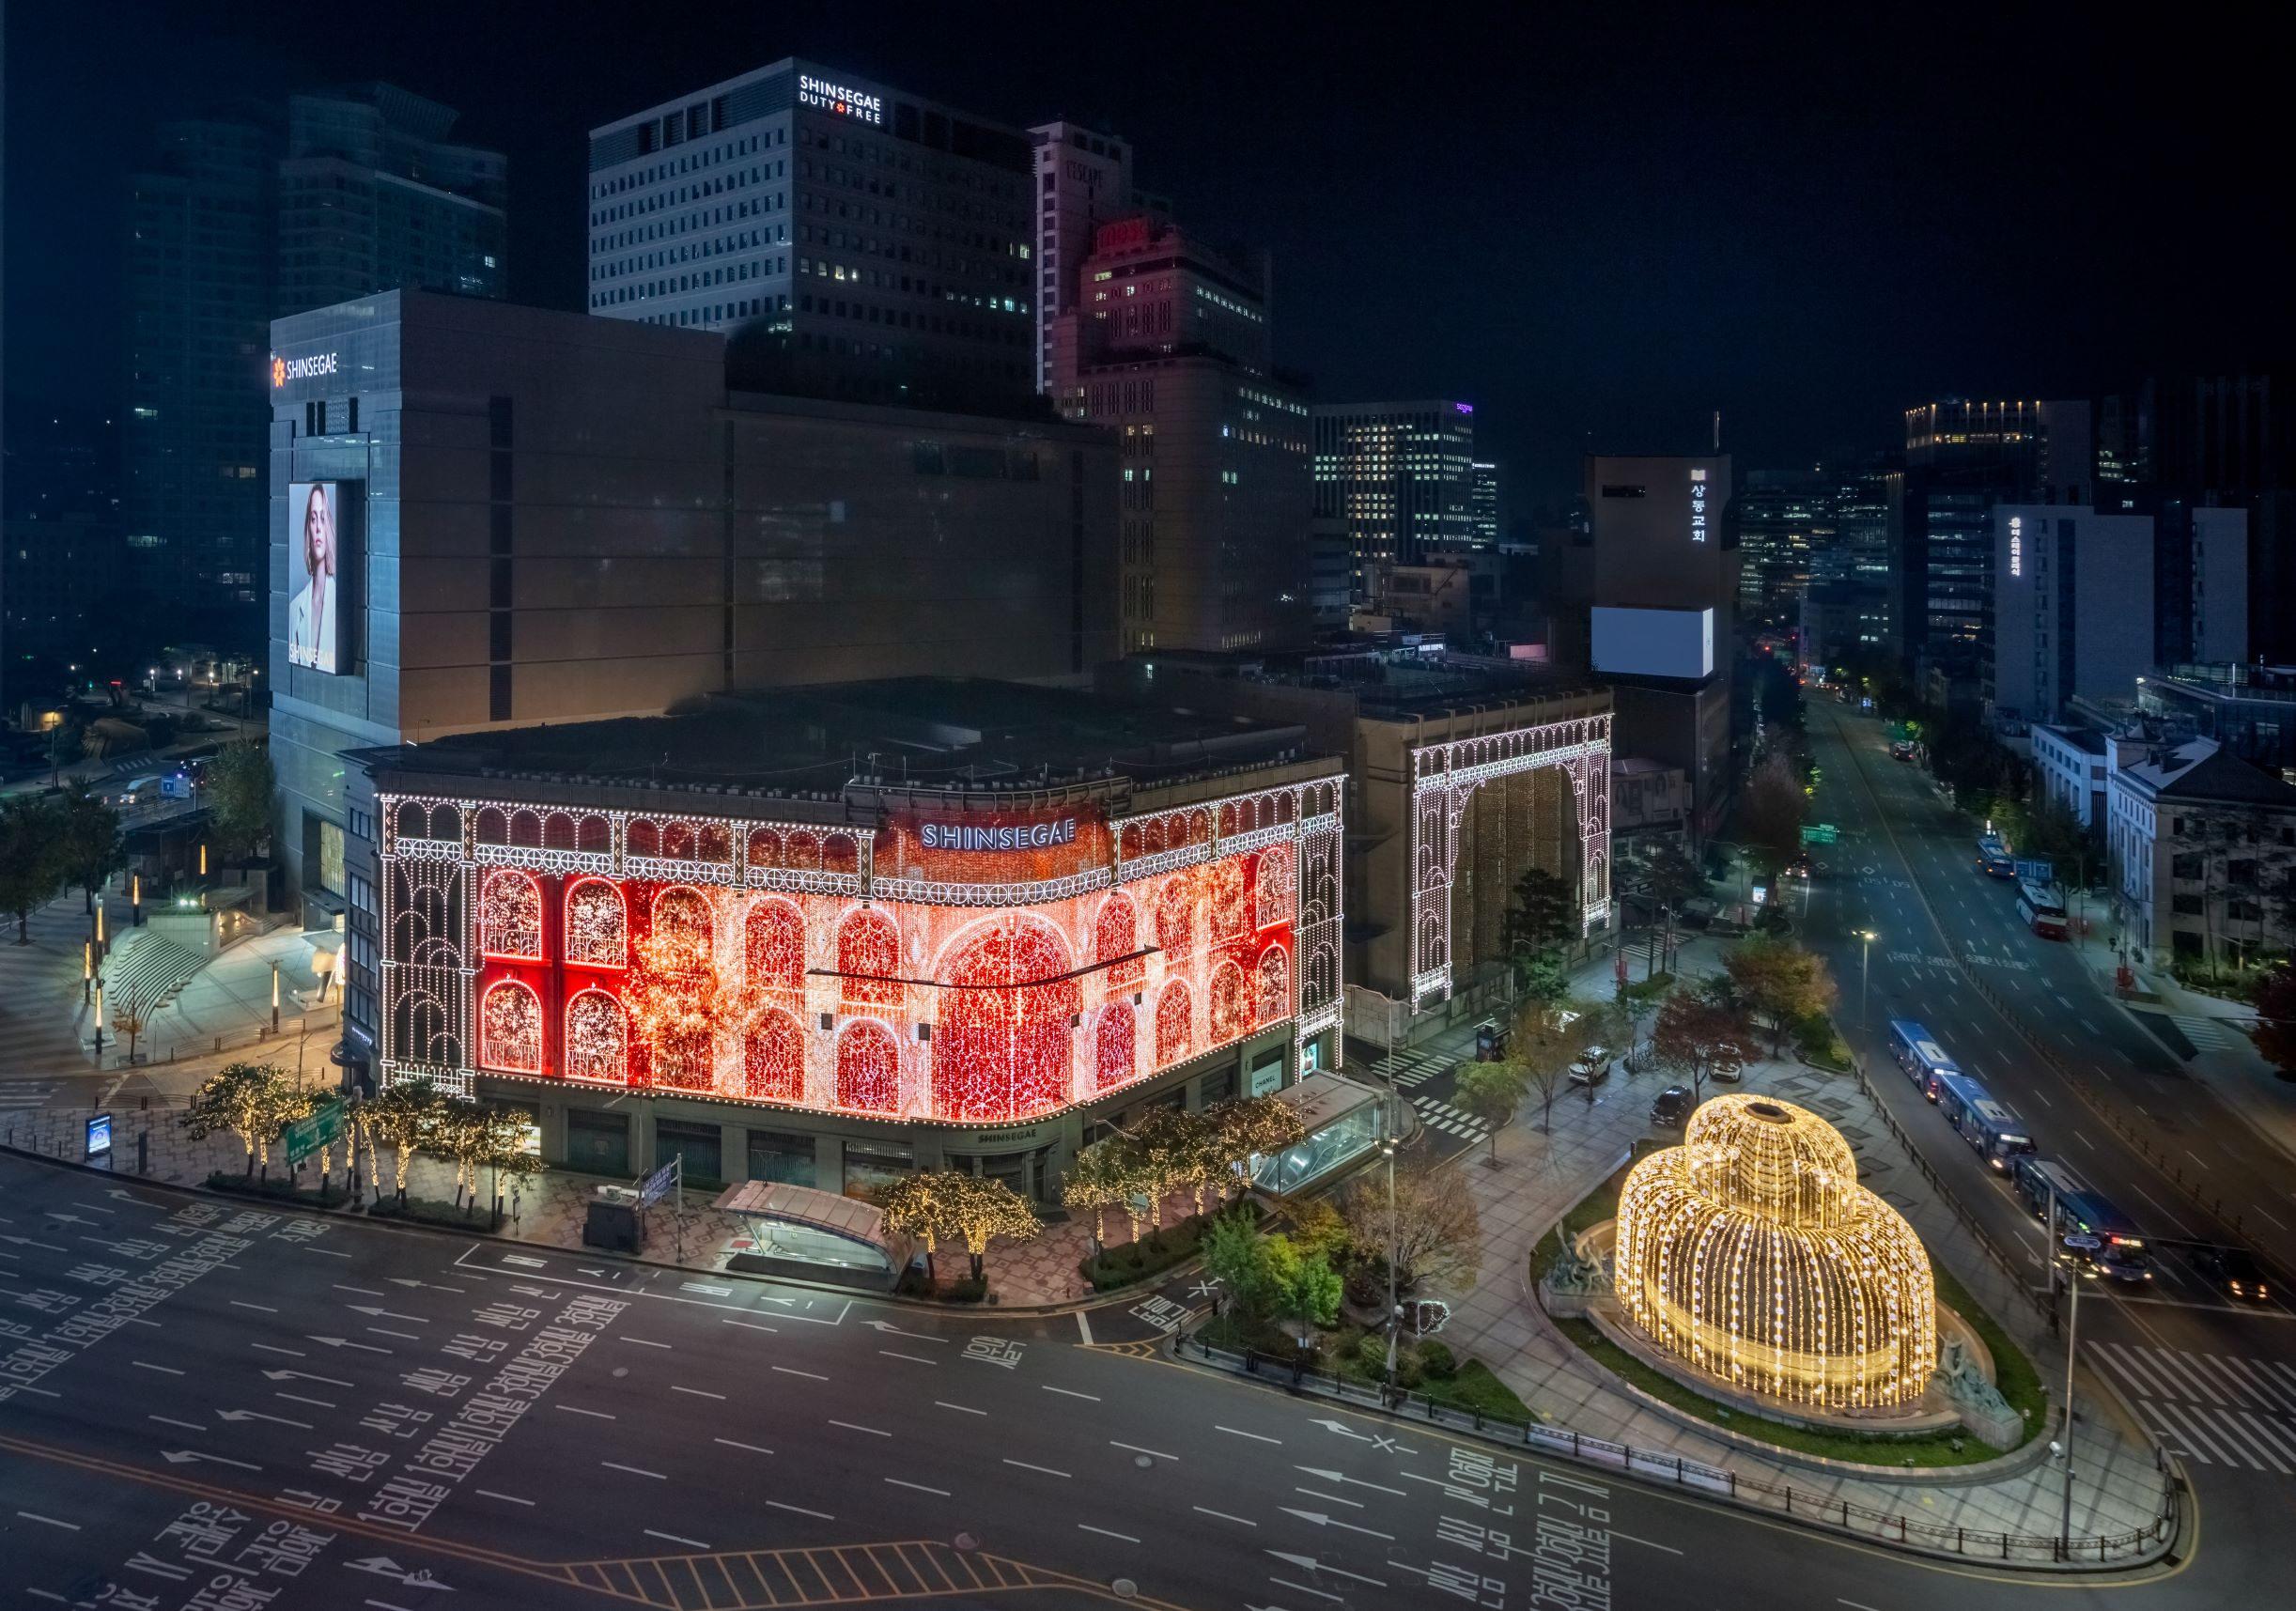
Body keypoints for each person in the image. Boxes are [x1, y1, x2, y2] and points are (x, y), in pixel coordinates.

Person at [288, 484, 337, 671]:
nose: (318, 528)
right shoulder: (294, 609)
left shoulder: (341, 604)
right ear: (307, 527)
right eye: (313, 518)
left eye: (323, 519)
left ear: (329, 527)